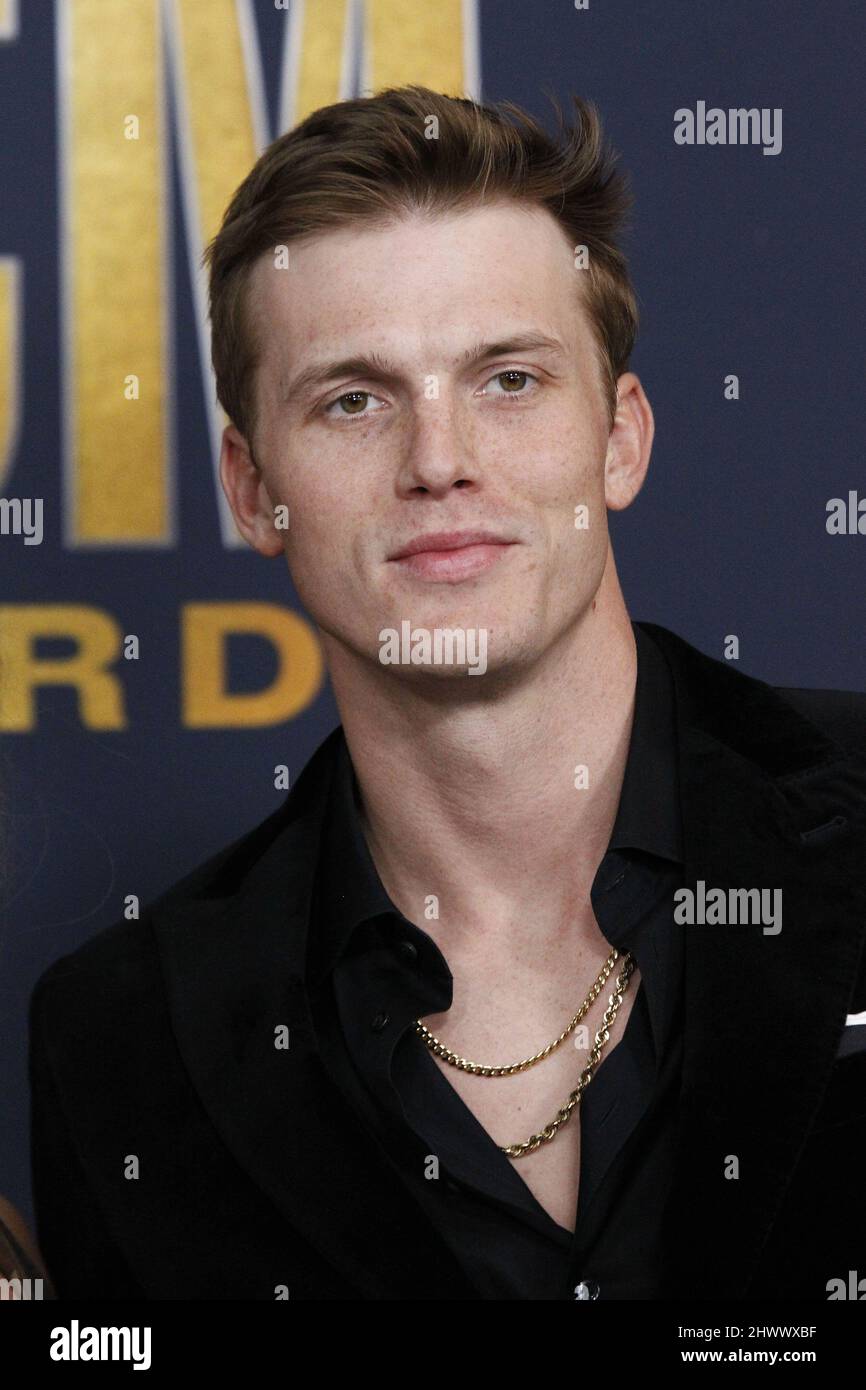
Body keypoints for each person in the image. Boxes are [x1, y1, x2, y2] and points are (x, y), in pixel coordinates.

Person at [28, 86, 866, 1301]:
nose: (438, 460)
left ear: (619, 438)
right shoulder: (121, 1042)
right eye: (353, 399)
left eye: (508, 380)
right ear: (251, 487)